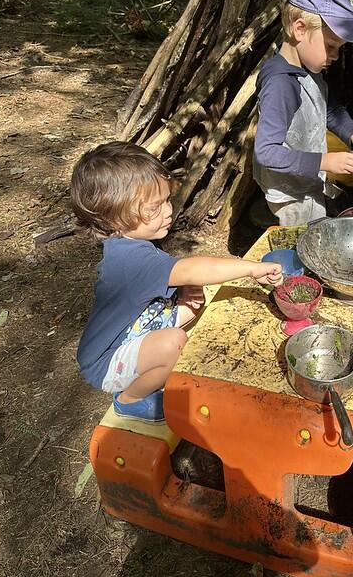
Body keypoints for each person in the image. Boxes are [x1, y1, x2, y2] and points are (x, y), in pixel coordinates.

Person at [71, 141, 283, 423]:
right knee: (173, 343)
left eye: (166, 200)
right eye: (154, 208)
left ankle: (153, 364)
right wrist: (251, 268)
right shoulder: (130, 261)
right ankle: (130, 400)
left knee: (193, 304)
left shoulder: (132, 243)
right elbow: (195, 269)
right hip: (106, 363)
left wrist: (183, 303)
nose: (168, 211)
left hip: (131, 334)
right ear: (114, 218)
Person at [253, 0, 353, 226]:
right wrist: (325, 161)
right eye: (331, 46)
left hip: (307, 183)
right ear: (299, 29)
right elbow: (266, 152)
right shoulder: (282, 84)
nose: (335, 56)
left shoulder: (309, 69)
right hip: (292, 195)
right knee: (305, 248)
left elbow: (329, 109)